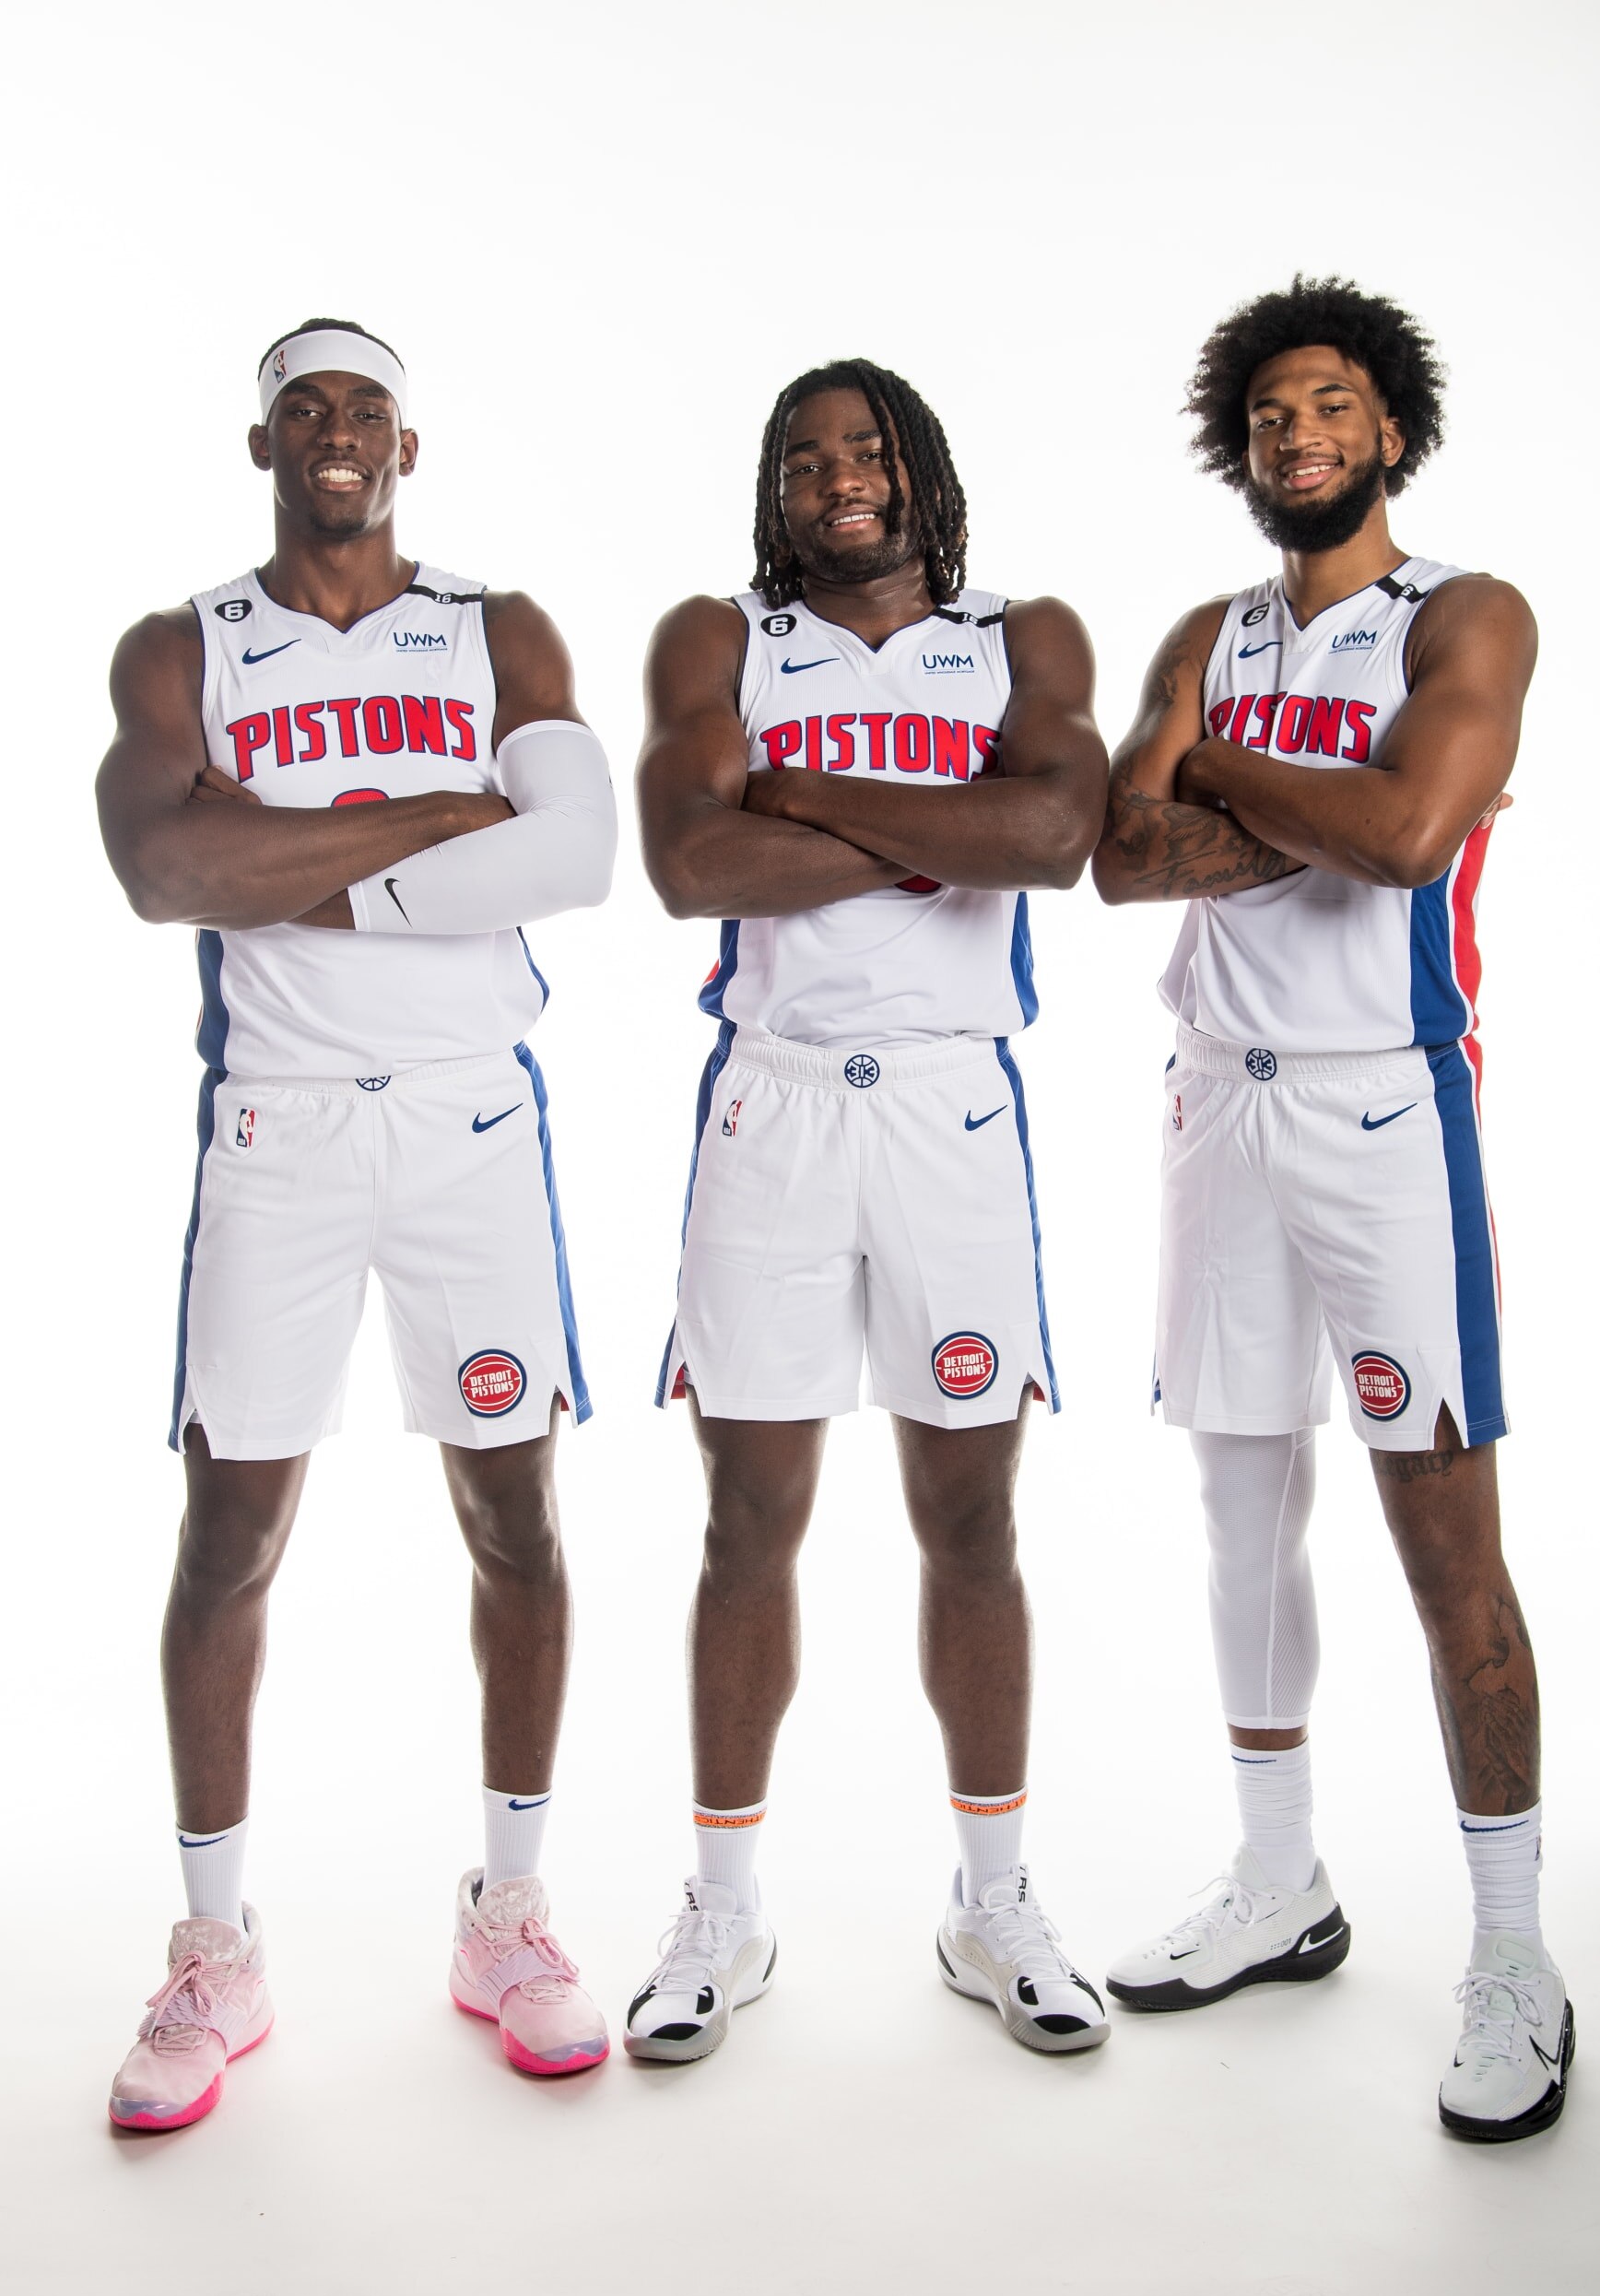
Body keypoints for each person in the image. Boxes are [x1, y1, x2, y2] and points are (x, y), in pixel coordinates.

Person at [96, 319, 618, 2128]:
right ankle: (216, 1951)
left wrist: (293, 841)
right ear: (264, 446)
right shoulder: (186, 644)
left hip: (476, 1125)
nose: (337, 434)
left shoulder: (500, 627)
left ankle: (509, 1911)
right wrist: (440, 813)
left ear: (410, 446)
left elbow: (569, 856)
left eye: (366, 411)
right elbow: (166, 870)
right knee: (231, 1531)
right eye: (304, 409)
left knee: (514, 1512)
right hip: (281, 1133)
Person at [1094, 277, 1570, 2139]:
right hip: (1218, 1108)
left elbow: (1402, 840)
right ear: (1243, 447)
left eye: (1335, 406)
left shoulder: (1464, 612)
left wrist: (1219, 765)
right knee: (1239, 1517)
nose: (1303, 432)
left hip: (1388, 1115)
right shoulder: (1205, 629)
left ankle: (1517, 1952)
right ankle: (1281, 1881)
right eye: (1273, 412)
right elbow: (1122, 868)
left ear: (1388, 433)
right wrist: (1303, 797)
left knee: (1448, 1548)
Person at [625, 359, 1111, 2064]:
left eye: (868, 446)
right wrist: (940, 831)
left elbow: (1055, 834)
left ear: (921, 469)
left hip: (951, 1107)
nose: (840, 475)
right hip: (771, 1109)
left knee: (969, 1518)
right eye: (806, 455)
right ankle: (724, 1916)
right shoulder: (720, 641)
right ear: (774, 491)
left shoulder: (1024, 638)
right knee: (746, 1523)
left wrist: (804, 796)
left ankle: (994, 1903)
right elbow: (691, 868)